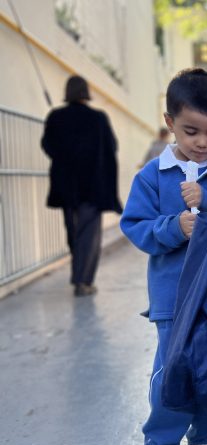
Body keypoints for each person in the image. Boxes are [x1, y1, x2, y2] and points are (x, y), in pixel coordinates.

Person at [120, 68, 207, 445]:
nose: (203, 142)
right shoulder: (152, 176)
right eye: (191, 131)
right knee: (173, 375)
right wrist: (174, 227)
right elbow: (135, 226)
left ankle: (205, 440)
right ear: (170, 122)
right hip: (172, 299)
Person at [41, 75, 122, 297]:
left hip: (66, 186)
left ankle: (79, 276)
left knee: (73, 232)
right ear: (86, 92)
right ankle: (83, 281)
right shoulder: (98, 118)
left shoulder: (56, 117)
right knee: (89, 234)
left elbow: (47, 145)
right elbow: (112, 147)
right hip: (93, 186)